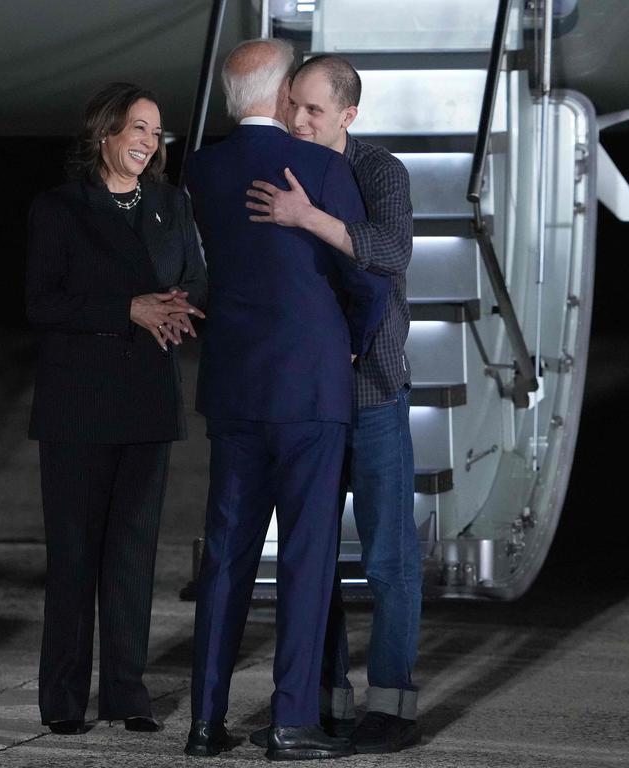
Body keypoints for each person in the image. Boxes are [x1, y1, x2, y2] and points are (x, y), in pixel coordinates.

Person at [183, 39, 389, 761]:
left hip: (235, 386)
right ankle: (291, 722)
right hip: (309, 386)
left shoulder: (201, 170)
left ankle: (205, 722)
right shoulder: (326, 169)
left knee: (228, 557)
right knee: (307, 558)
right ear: (278, 99)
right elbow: (366, 281)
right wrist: (351, 339)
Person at [245, 54, 420, 754]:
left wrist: (306, 217)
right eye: (294, 105)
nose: (298, 119)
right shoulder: (286, 160)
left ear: (348, 115)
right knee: (314, 555)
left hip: (373, 390)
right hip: (308, 395)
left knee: (387, 557)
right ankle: (322, 697)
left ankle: (393, 705)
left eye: (314, 109)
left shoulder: (379, 171)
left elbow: (391, 251)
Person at [25, 81, 207, 735]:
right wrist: (125, 309)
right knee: (74, 557)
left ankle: (127, 692)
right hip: (77, 405)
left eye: (156, 132)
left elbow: (195, 277)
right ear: (104, 132)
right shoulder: (59, 208)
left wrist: (177, 306)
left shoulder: (169, 203)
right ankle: (63, 699)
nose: (148, 141)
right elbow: (41, 304)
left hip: (146, 400)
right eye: (137, 127)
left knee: (132, 557)